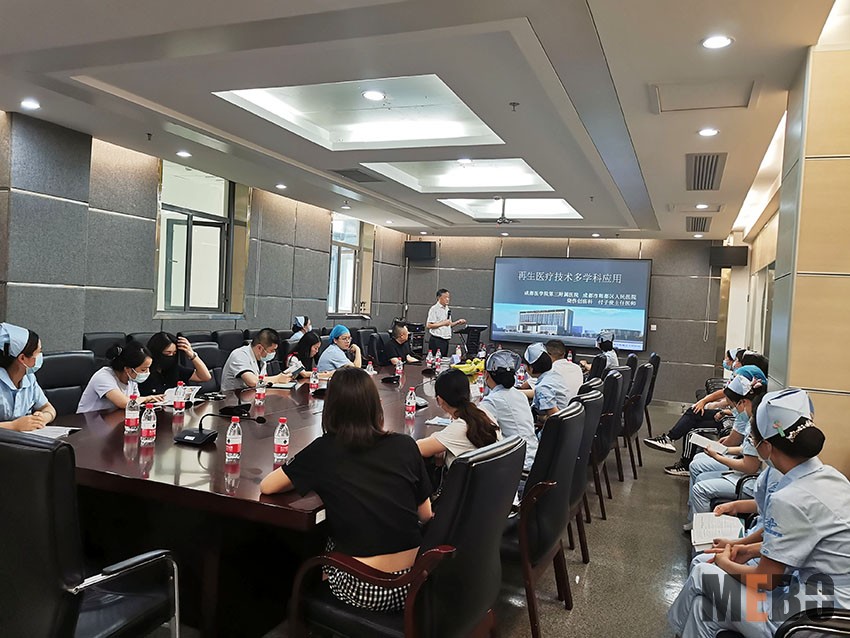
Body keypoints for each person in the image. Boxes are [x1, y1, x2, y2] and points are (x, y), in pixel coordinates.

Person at [668, 388, 850, 637]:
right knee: (702, 611)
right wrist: (749, 550)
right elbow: (799, 541)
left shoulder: (791, 498)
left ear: (765, 447)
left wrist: (725, 563)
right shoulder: (830, 477)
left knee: (702, 572)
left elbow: (766, 580)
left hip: (810, 620)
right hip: (825, 604)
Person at [259, 367, 432, 612]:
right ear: (376, 406)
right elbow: (425, 515)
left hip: (365, 587)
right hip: (414, 583)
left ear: (331, 409)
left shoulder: (324, 450)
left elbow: (268, 486)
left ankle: (314, 618)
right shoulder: (405, 444)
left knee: (325, 541)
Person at [649, 364, 767, 476]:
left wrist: (716, 452)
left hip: (744, 470)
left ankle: (683, 462)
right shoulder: (747, 413)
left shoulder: (752, 420)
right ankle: (669, 439)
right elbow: (742, 447)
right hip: (740, 456)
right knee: (694, 413)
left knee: (693, 438)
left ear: (743, 401)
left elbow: (747, 462)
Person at [684, 374, 766, 527]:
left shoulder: (756, 425)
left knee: (700, 487)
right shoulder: (753, 419)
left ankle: (703, 529)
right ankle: (695, 521)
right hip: (749, 474)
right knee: (700, 474)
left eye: (732, 405)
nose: (732, 410)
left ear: (743, 402)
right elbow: (748, 450)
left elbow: (749, 466)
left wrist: (718, 456)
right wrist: (726, 449)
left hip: (750, 480)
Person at [417, 368, 501, 468]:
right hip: (492, 475)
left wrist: (436, 438)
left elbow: (418, 448)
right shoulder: (484, 413)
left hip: (470, 477)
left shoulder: (460, 428)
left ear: (439, 400)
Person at [479, 350, 538, 472]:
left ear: (486, 374)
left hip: (518, 466)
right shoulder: (520, 395)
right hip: (533, 458)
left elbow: (477, 428)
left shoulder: (493, 401)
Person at [77, 341, 164, 412]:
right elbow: (125, 403)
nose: (148, 373)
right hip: (86, 422)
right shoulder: (103, 377)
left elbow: (135, 402)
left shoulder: (132, 379)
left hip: (111, 419)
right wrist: (146, 398)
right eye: (143, 369)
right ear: (127, 369)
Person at [0, 323, 56, 431]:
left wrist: (43, 418)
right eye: (38, 352)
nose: (40, 356)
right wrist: (13, 426)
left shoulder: (29, 378)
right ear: (22, 358)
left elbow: (48, 408)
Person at [137, 332, 212, 395]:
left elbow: (205, 377)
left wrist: (192, 355)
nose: (171, 356)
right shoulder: (143, 372)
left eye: (174, 353)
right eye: (167, 353)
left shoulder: (175, 369)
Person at [220, 328, 291, 392]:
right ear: (259, 348)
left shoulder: (261, 360)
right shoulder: (239, 354)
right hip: (232, 399)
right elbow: (252, 382)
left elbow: (262, 381)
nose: (273, 353)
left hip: (252, 396)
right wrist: (278, 379)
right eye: (271, 350)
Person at [522, 342, 569, 422]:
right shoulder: (554, 375)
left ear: (531, 368)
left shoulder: (543, 388)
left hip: (554, 427)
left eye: (525, 365)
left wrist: (539, 418)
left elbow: (555, 419)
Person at [426, 288, 465, 357]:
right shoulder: (434, 309)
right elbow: (429, 325)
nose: (447, 299)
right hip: (437, 339)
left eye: (448, 297)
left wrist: (458, 322)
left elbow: (448, 325)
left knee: (444, 360)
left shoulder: (447, 309)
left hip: (445, 340)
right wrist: (443, 323)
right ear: (439, 298)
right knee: (436, 360)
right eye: (445, 297)